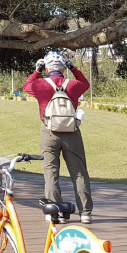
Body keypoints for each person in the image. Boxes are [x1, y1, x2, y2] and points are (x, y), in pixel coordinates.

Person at [23, 52, 93, 224]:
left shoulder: (40, 84)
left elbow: (26, 86)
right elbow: (86, 83)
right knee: (79, 173)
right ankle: (85, 213)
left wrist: (36, 70)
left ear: (47, 67)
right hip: (72, 132)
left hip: (48, 132)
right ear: (63, 67)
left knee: (51, 173)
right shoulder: (73, 85)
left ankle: (55, 212)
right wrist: (73, 67)